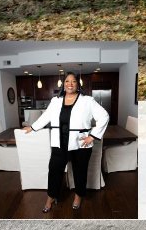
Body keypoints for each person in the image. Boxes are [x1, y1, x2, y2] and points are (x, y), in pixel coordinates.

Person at [21, 72, 110, 213]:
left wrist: (92, 136)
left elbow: (104, 116)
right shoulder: (55, 101)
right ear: (64, 84)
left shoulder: (87, 100)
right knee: (54, 171)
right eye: (67, 81)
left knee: (80, 172)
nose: (70, 84)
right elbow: (46, 116)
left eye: (73, 81)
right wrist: (32, 127)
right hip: (59, 143)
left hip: (80, 144)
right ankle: (51, 197)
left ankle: (78, 196)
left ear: (77, 84)